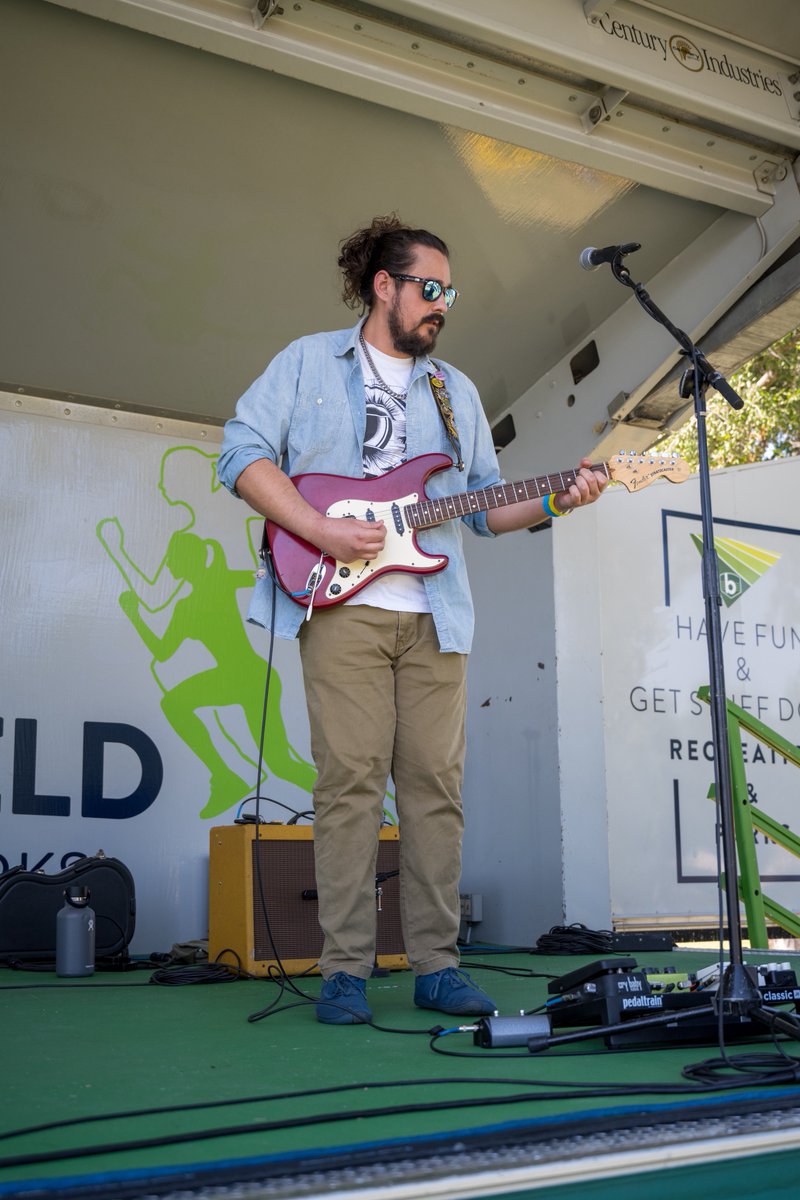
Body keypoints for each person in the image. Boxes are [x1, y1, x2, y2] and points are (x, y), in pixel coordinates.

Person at [217, 214, 607, 1025]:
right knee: (351, 783)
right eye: (429, 288)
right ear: (382, 286)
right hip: (341, 602)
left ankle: (436, 964)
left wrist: (554, 499)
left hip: (437, 614)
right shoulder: (306, 362)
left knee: (436, 788)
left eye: (449, 293)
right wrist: (321, 528)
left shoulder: (453, 390)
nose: (441, 305)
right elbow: (241, 453)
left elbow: (483, 509)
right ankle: (344, 971)